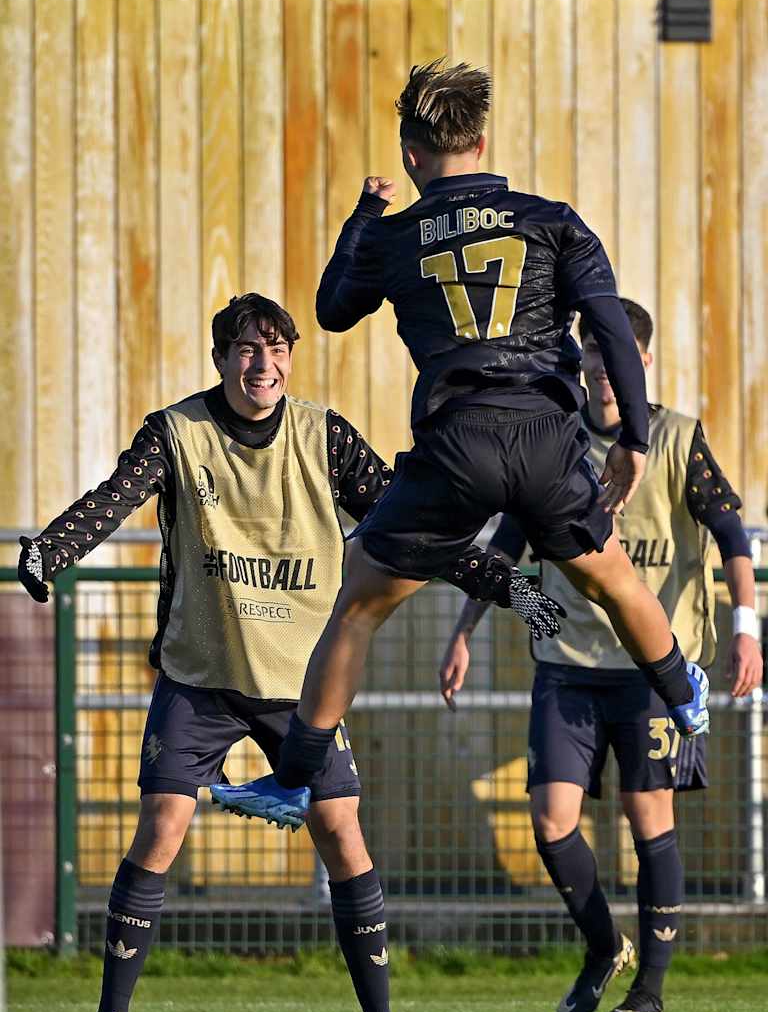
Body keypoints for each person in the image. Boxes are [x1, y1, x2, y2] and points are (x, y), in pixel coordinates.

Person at [18, 293, 552, 1012]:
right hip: (201, 677)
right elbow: (113, 500)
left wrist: (514, 586)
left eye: (274, 348)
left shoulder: (323, 437)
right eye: (244, 348)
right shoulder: (177, 432)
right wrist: (52, 552)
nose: (260, 363)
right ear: (220, 358)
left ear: (291, 358)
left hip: (303, 688)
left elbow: (416, 524)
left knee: (341, 832)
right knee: (163, 823)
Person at [234, 60, 709, 834]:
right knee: (615, 581)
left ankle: (293, 781)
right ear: (482, 141)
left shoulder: (396, 236)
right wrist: (634, 438)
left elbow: (328, 309)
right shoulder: (553, 218)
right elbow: (613, 330)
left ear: (410, 153)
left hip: (457, 445)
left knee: (357, 606)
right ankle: (684, 696)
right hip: (549, 440)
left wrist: (362, 215)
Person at [440, 298, 763, 1012]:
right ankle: (600, 946)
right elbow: (508, 551)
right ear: (581, 362)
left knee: (645, 816)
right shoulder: (552, 441)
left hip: (653, 671)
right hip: (567, 664)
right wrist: (466, 629)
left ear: (641, 363)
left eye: (615, 358)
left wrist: (746, 631)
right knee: (551, 820)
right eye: (591, 356)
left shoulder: (677, 440)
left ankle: (649, 988)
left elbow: (734, 540)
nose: (602, 372)